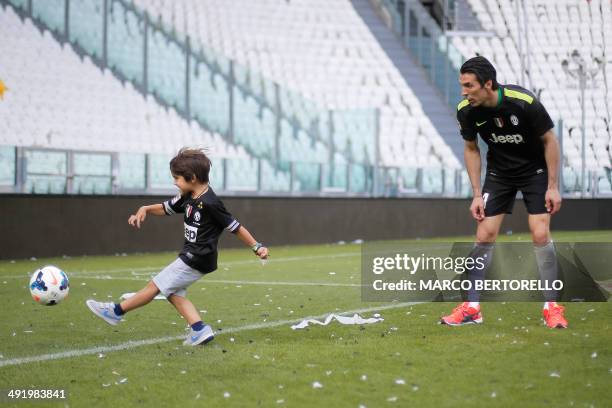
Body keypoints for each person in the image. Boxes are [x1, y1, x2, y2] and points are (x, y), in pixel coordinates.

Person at [86, 148, 269, 345]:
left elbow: (235, 227)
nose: (174, 182)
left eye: (177, 178)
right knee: (172, 292)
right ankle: (199, 329)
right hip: (197, 257)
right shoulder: (187, 195)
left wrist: (256, 246)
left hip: (196, 257)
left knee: (154, 286)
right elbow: (166, 208)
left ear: (192, 178)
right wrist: (145, 208)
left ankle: (116, 311)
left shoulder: (210, 203)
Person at [440, 56, 567, 329]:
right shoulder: (466, 110)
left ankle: (552, 307)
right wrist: (476, 193)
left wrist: (553, 186)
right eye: (462, 85)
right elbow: (472, 149)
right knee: (484, 234)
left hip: (535, 172)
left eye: (469, 85)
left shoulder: (524, 102)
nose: (464, 92)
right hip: (499, 175)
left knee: (540, 233)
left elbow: (550, 140)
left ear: (488, 84)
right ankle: (472, 308)